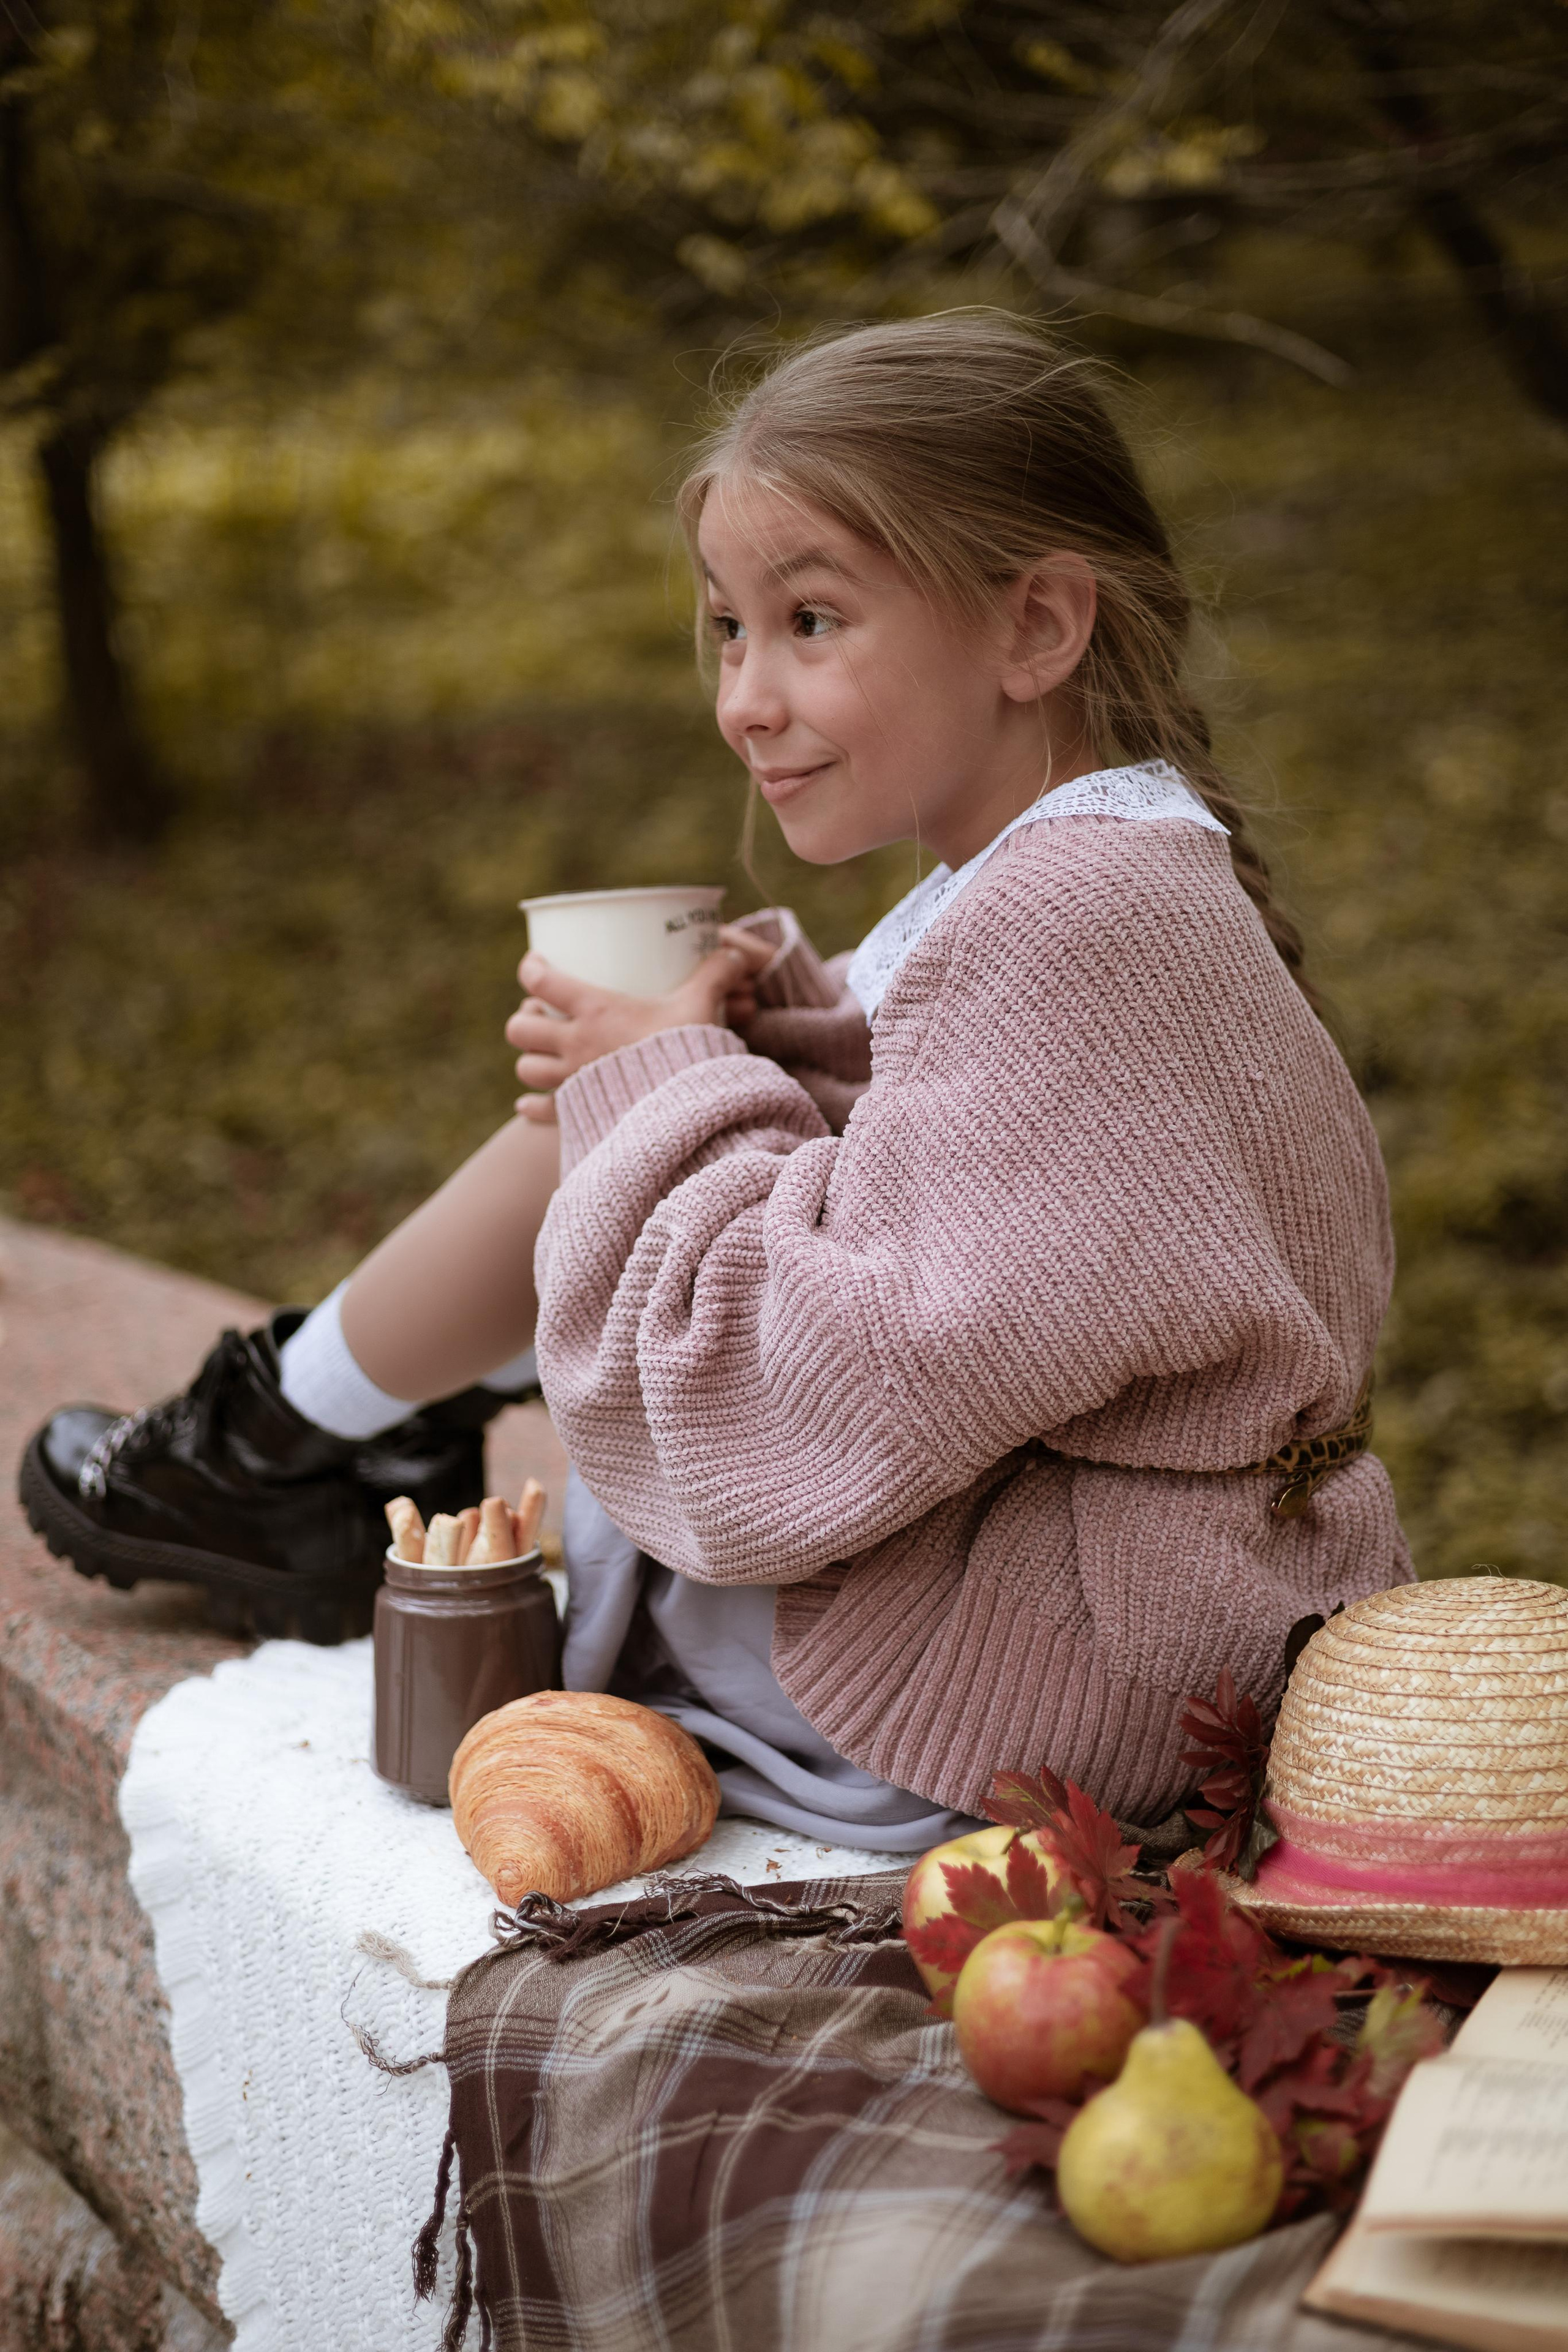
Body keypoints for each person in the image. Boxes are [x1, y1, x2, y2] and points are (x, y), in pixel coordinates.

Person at [21, 312, 1410, 1838]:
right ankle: (299, 1434)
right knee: (636, 1099)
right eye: (730, 629)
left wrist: (671, 1076)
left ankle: (283, 1438)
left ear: (1035, 628)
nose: (745, 696)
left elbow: (814, 1402)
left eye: (811, 621)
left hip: (1048, 1674)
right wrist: (734, 1042)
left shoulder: (1075, 911)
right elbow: (985, 1206)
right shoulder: (1074, 872)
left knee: (627, 1122)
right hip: (1137, 1611)